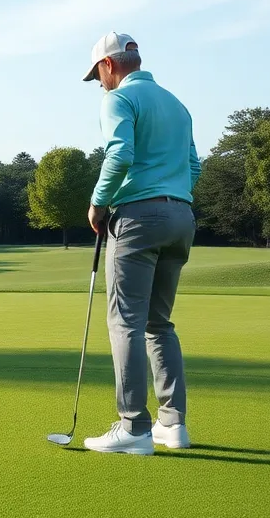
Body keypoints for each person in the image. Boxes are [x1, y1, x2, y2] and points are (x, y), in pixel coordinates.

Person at [80, 32, 200, 456]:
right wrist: (175, 199)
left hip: (137, 217)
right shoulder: (176, 103)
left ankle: (133, 426)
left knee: (125, 322)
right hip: (181, 217)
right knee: (159, 322)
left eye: (97, 74)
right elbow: (193, 165)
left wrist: (98, 204)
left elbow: (120, 154)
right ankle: (173, 424)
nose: (99, 83)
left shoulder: (118, 99)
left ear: (109, 65)